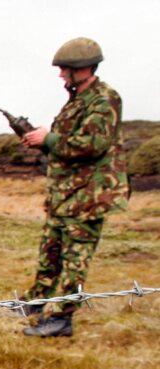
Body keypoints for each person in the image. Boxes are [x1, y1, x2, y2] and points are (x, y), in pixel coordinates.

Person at [19, 37, 129, 338]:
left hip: (88, 197)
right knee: (50, 254)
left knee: (74, 261)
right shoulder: (78, 100)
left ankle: (60, 319)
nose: (60, 75)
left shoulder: (104, 99)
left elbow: (93, 144)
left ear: (82, 68)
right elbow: (67, 146)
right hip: (64, 196)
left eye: (64, 69)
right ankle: (36, 303)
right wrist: (42, 141)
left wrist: (48, 139)